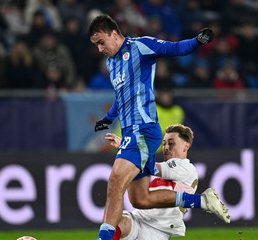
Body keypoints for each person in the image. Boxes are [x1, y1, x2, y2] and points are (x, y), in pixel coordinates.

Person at [88, 14, 229, 240]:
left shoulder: (140, 46)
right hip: (129, 132)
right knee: (139, 199)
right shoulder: (111, 63)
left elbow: (174, 49)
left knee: (115, 184)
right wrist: (109, 118)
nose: (100, 49)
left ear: (114, 34)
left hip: (142, 130)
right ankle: (202, 201)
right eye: (96, 45)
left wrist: (197, 41)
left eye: (101, 42)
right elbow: (121, 96)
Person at [105, 124, 198, 240]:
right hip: (139, 218)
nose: (166, 147)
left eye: (171, 143)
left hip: (157, 230)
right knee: (118, 222)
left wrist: (128, 149)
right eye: (164, 143)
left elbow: (149, 166)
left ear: (186, 146)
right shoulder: (163, 169)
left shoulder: (186, 168)